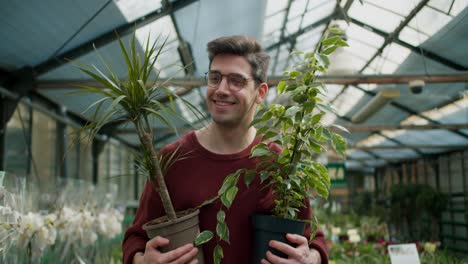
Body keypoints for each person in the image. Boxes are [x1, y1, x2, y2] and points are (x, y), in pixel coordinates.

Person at [122, 35, 328, 264]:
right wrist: (143, 261)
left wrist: (311, 259)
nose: (221, 89)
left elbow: (314, 240)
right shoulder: (172, 158)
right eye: (215, 78)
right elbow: (135, 238)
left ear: (260, 92)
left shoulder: (280, 163)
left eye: (236, 81)